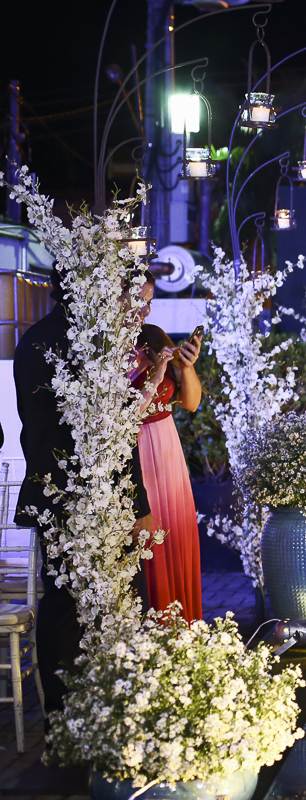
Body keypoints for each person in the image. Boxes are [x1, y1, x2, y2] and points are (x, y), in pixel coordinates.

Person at [13, 270, 154, 730]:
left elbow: (28, 427)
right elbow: (116, 437)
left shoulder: (32, 340)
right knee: (106, 599)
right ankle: (98, 711)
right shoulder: (93, 345)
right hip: (93, 494)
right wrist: (137, 503)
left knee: (61, 599)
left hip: (50, 492)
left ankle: (64, 713)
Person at [129, 276, 205, 619]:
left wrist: (185, 367)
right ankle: (154, 630)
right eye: (138, 301)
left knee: (176, 536)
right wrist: (157, 372)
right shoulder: (105, 347)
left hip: (168, 447)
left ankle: (182, 629)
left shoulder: (153, 336)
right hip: (137, 450)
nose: (144, 310)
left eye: (149, 302)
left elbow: (190, 403)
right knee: (150, 544)